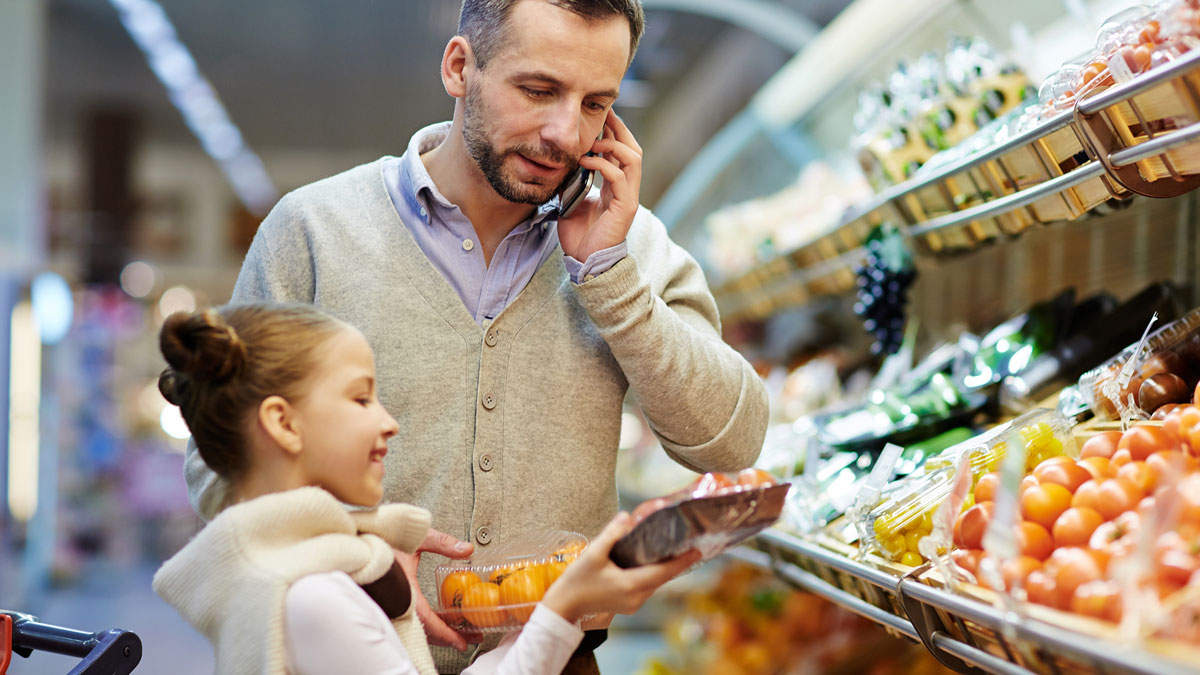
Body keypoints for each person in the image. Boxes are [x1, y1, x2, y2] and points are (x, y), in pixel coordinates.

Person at [184, 0, 769, 671]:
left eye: (595, 103)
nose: (566, 134)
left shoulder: (629, 245)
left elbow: (733, 440)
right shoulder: (314, 230)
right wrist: (351, 545)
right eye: (539, 90)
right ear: (460, 67)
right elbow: (216, 458)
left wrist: (606, 275)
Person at [154, 304, 703, 675]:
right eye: (362, 398)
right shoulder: (313, 595)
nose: (388, 421)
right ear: (283, 423)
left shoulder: (292, 571)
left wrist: (544, 611)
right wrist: (566, 607)